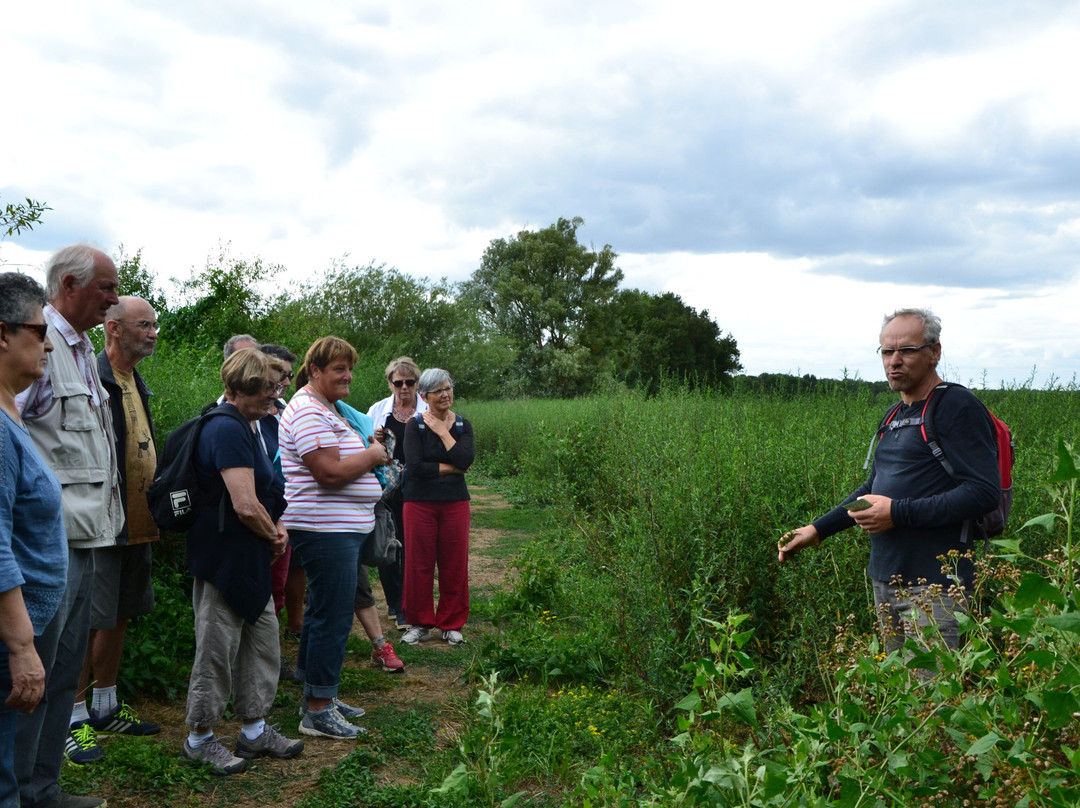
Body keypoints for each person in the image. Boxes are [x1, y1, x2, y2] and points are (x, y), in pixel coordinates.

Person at [778, 308, 1000, 655]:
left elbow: (983, 492)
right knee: (894, 684)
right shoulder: (895, 414)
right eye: (887, 351)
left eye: (907, 350)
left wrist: (897, 513)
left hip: (936, 585)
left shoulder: (957, 406)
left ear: (934, 352)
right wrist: (817, 530)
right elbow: (872, 490)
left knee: (930, 687)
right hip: (886, 578)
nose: (894, 361)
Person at [14, 245, 123, 808]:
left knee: (61, 672)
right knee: (35, 671)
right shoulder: (39, 346)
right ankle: (19, 791)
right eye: (107, 287)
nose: (114, 299)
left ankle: (43, 788)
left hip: (85, 538)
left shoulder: (78, 347)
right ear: (71, 285)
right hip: (46, 544)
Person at [181, 349, 303, 775]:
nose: (274, 396)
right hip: (224, 559)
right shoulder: (226, 428)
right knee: (217, 648)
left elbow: (265, 494)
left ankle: (254, 730)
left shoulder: (251, 425)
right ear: (240, 389)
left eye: (275, 387)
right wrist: (274, 535)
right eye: (266, 389)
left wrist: (277, 529)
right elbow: (246, 505)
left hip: (250, 555)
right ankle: (200, 738)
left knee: (262, 641)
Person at [279, 337, 389, 739]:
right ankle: (318, 711)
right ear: (315, 371)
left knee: (323, 611)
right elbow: (327, 472)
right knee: (334, 616)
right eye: (339, 369)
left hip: (338, 527)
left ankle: (317, 693)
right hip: (324, 529)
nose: (348, 376)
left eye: (350, 368)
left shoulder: (326, 408)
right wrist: (373, 455)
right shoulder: (309, 410)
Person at [67, 298, 161, 765]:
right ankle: (72, 718)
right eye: (144, 325)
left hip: (138, 520)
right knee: (88, 617)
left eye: (155, 324)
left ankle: (105, 705)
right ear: (113, 329)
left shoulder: (135, 379)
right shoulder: (93, 375)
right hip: (104, 521)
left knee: (120, 611)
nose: (153, 332)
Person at [0, 274, 67, 808]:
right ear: (3, 334)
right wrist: (21, 648)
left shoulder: (11, 413)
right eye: (40, 331)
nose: (48, 345)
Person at [400, 369, 475, 647]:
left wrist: (443, 432)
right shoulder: (415, 425)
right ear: (424, 396)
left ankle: (451, 624)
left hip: (456, 502)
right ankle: (419, 623)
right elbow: (415, 467)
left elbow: (466, 459)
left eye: (448, 388)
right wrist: (453, 468)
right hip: (419, 502)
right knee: (418, 563)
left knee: (454, 563)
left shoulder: (463, 425)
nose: (445, 394)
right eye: (438, 391)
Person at [367, 357, 427, 631]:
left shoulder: (427, 408)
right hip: (388, 487)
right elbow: (361, 443)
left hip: (418, 486)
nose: (404, 387)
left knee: (412, 544)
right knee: (388, 542)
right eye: (398, 382)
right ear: (390, 383)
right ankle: (394, 603)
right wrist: (373, 439)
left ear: (417, 383)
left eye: (410, 382)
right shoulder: (378, 410)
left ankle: (408, 603)